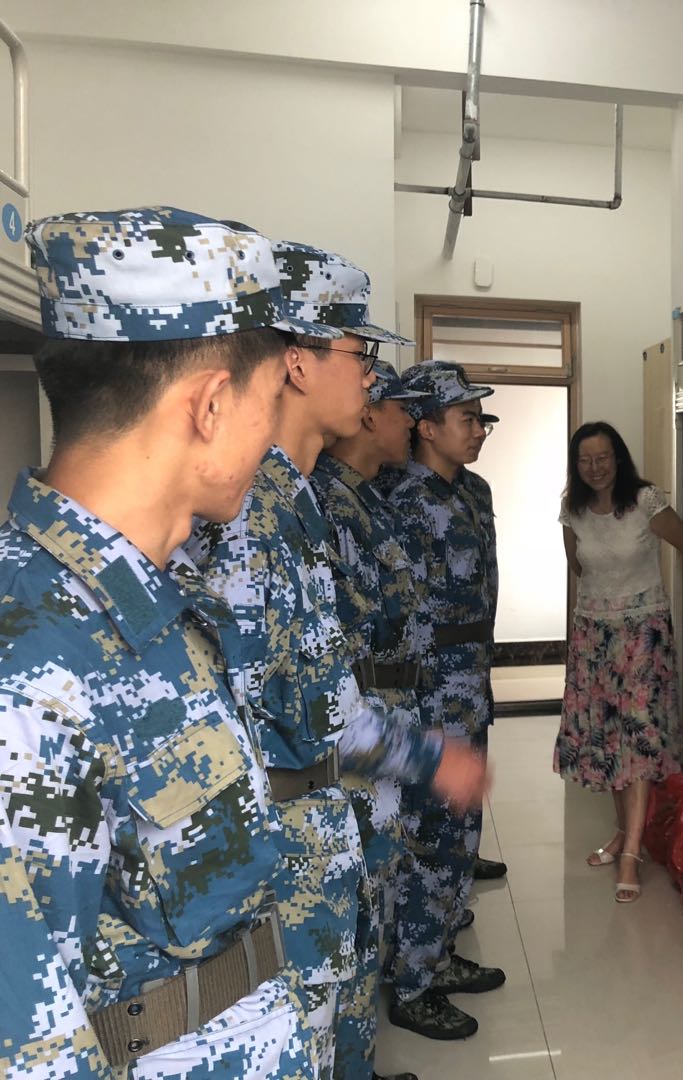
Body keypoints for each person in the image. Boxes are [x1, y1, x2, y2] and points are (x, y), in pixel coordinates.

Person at [0, 207, 326, 1078]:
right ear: (212, 406)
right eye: (269, 399)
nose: (272, 433)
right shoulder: (30, 660)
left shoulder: (152, 597)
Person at [187, 247, 490, 1079]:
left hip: (337, 808)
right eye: (359, 353)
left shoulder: (293, 495)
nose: (372, 376)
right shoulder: (250, 508)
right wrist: (429, 757)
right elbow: (297, 703)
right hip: (294, 825)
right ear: (296, 363)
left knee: (344, 1013)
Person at [309, 360, 429, 1047]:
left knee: (379, 886)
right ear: (368, 414)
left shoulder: (367, 497)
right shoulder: (325, 502)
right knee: (361, 897)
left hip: (386, 715)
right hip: (358, 727)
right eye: (400, 408)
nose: (410, 422)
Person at [386, 360, 507, 1039]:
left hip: (470, 677)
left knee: (460, 826)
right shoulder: (402, 499)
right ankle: (412, 984)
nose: (479, 429)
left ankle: (440, 953)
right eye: (467, 418)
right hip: (430, 687)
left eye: (482, 418)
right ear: (426, 426)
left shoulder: (474, 490)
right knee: (429, 834)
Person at [554, 420, 683, 903]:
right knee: (607, 737)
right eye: (585, 460)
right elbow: (577, 567)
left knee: (636, 738)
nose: (594, 467)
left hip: (642, 634)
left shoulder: (646, 501)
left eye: (602, 458)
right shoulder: (572, 509)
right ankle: (623, 832)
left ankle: (632, 853)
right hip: (593, 635)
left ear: (618, 458)